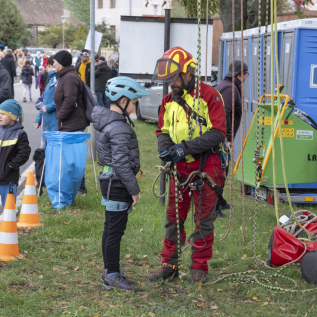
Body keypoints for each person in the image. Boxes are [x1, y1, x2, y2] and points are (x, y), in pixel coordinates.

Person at [149, 47, 227, 285]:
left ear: (188, 73)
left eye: (175, 78)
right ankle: (170, 265)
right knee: (173, 218)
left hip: (207, 165)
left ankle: (199, 267)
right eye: (168, 80)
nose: (171, 83)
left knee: (204, 219)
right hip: (180, 169)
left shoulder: (209, 96)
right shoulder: (168, 101)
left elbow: (218, 133)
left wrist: (186, 147)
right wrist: (165, 146)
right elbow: (162, 129)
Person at [91, 76, 149, 291]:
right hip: (117, 184)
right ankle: (112, 276)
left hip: (109, 181)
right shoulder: (120, 128)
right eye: (133, 102)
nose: (135, 106)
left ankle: (109, 271)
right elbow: (122, 163)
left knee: (109, 230)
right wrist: (134, 190)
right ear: (123, 101)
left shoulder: (107, 122)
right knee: (114, 232)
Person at [215, 60, 249, 218]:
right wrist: (228, 139)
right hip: (221, 138)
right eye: (246, 74)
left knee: (223, 169)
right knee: (220, 171)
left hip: (220, 136)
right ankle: (214, 206)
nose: (246, 77)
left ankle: (219, 200)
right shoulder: (229, 89)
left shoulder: (227, 85)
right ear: (240, 74)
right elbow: (225, 114)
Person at [53, 50, 89, 194]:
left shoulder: (69, 78)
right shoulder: (66, 76)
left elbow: (70, 100)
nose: (53, 63)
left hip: (73, 123)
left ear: (61, 63)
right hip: (70, 122)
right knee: (72, 157)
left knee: (73, 158)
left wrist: (60, 116)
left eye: (55, 61)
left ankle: (79, 188)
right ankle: (77, 187)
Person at [0, 99, 31, 206]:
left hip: (8, 178)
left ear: (12, 116)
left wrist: (10, 165)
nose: (0, 116)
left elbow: (24, 153)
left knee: (9, 207)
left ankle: (10, 222)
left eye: (3, 114)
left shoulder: (20, 134)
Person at [34, 56, 58, 146]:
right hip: (47, 123)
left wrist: (47, 108)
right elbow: (45, 102)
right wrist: (39, 119)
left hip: (54, 124)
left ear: (49, 65)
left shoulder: (58, 80)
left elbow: (62, 100)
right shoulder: (51, 80)